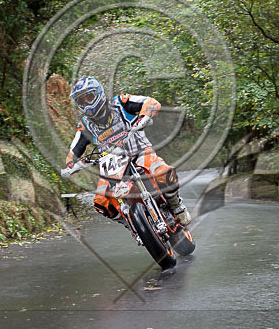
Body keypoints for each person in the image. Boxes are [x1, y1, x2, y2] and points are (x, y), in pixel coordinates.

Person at [60, 76, 191, 226]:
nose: (87, 104)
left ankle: (176, 206)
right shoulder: (85, 125)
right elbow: (74, 149)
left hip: (139, 153)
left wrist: (145, 116)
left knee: (163, 173)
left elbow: (150, 102)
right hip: (112, 167)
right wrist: (71, 165)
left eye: (89, 97)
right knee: (100, 202)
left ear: (99, 93)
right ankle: (132, 224)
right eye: (81, 101)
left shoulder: (120, 102)